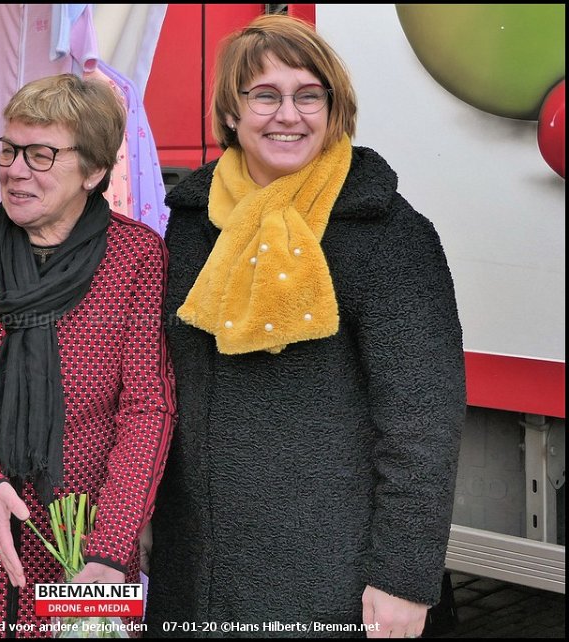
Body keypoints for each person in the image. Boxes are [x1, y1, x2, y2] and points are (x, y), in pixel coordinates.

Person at [144, 15, 466, 639]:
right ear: (231, 112)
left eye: (308, 96)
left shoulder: (389, 234)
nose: (288, 115)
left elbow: (423, 422)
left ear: (333, 110)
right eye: (265, 95)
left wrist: (403, 576)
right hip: (197, 574)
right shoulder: (190, 224)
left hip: (328, 582)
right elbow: (166, 391)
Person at [0, 73, 176, 633]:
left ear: (93, 171)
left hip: (82, 549)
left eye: (41, 154)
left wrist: (111, 548)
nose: (15, 170)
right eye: (10, 149)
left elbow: (148, 408)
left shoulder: (136, 256)